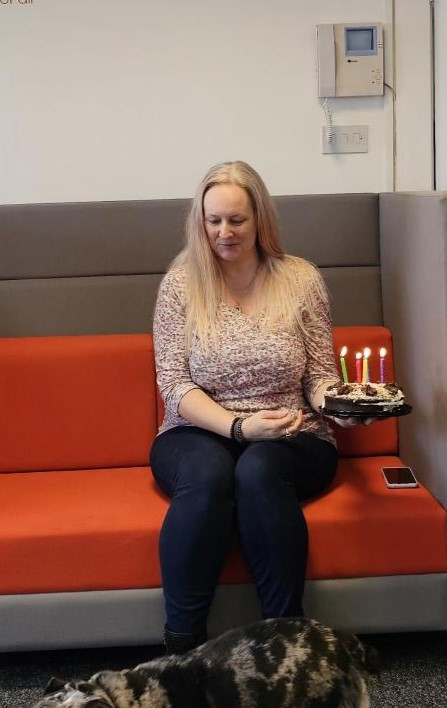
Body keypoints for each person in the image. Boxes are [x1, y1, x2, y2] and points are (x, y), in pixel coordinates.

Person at [150, 160, 367, 654]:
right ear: (200, 223)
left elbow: (319, 375)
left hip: (294, 433)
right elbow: (174, 384)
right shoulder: (180, 285)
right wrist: (240, 427)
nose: (224, 232)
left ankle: (285, 644)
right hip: (197, 430)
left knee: (258, 472)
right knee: (208, 476)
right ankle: (182, 648)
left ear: (260, 220)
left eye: (237, 220)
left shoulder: (300, 279)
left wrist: (339, 404)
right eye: (214, 221)